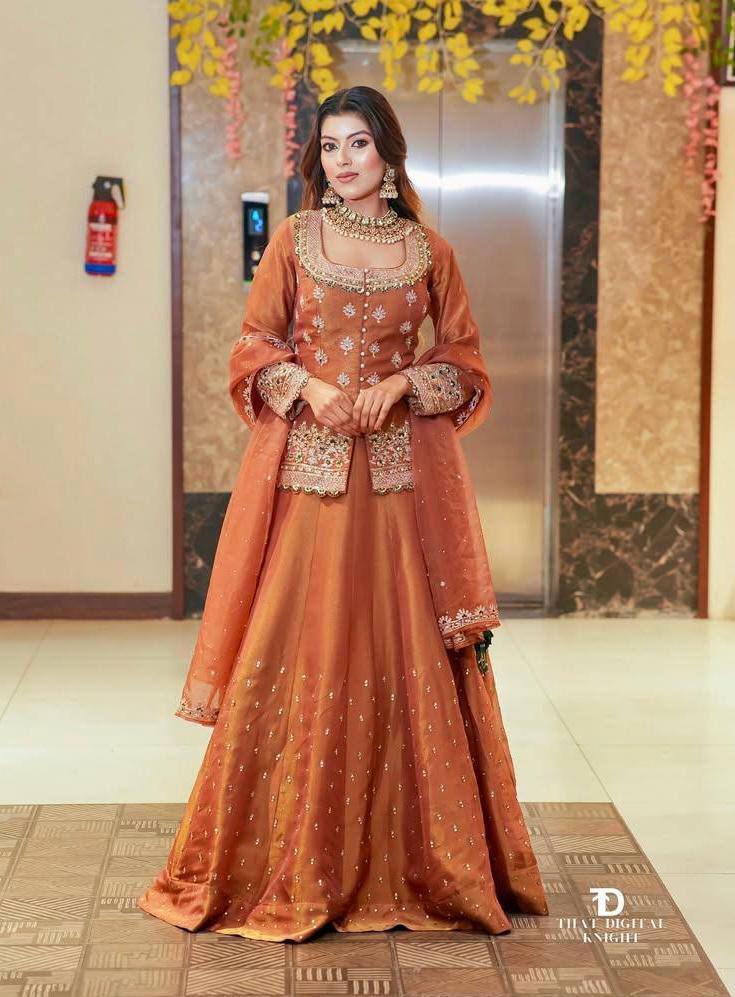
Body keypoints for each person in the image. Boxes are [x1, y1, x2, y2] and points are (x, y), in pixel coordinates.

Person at [138, 84, 549, 942]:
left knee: (400, 641)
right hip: (311, 480)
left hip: (400, 491)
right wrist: (311, 387)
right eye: (329, 147)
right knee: (301, 635)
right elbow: (253, 347)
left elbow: (465, 364)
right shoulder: (293, 241)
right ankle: (278, 857)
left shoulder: (428, 251)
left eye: (357, 145)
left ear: (388, 155)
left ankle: (419, 862)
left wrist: (402, 383)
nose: (342, 161)